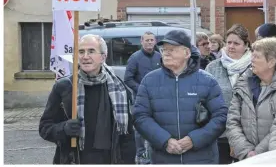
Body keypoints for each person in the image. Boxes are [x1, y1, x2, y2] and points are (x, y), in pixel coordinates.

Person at [133, 30, 228, 164]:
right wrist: (165, 141)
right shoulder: (149, 81)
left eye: (172, 49)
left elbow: (221, 117)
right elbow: (140, 116)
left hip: (202, 159)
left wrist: (193, 140)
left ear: (187, 53)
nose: (166, 52)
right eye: (164, 49)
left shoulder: (207, 81)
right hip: (164, 159)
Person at [39, 34, 135, 164]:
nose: (85, 56)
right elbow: (45, 127)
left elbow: (127, 136)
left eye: (91, 51)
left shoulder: (119, 89)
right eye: (81, 51)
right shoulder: (65, 87)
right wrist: (64, 129)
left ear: (103, 57)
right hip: (74, 160)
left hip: (111, 160)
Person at [227, 38, 276, 160]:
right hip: (245, 157)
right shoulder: (243, 83)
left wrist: (257, 154)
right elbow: (232, 121)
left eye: (256, 57)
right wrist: (246, 152)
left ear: (271, 62)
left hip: (275, 158)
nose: (251, 60)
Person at [205, 24, 252, 164]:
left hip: (247, 134)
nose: (231, 46)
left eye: (236, 43)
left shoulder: (254, 67)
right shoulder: (213, 67)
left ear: (246, 45)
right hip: (220, 133)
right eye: (229, 42)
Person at [124, 31, 161, 164]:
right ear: (141, 41)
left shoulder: (159, 56)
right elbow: (128, 78)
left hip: (157, 99)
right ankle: (141, 155)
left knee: (156, 125)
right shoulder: (135, 58)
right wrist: (141, 90)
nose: (149, 42)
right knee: (140, 127)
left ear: (155, 41)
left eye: (151, 40)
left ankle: (154, 152)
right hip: (140, 99)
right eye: (147, 40)